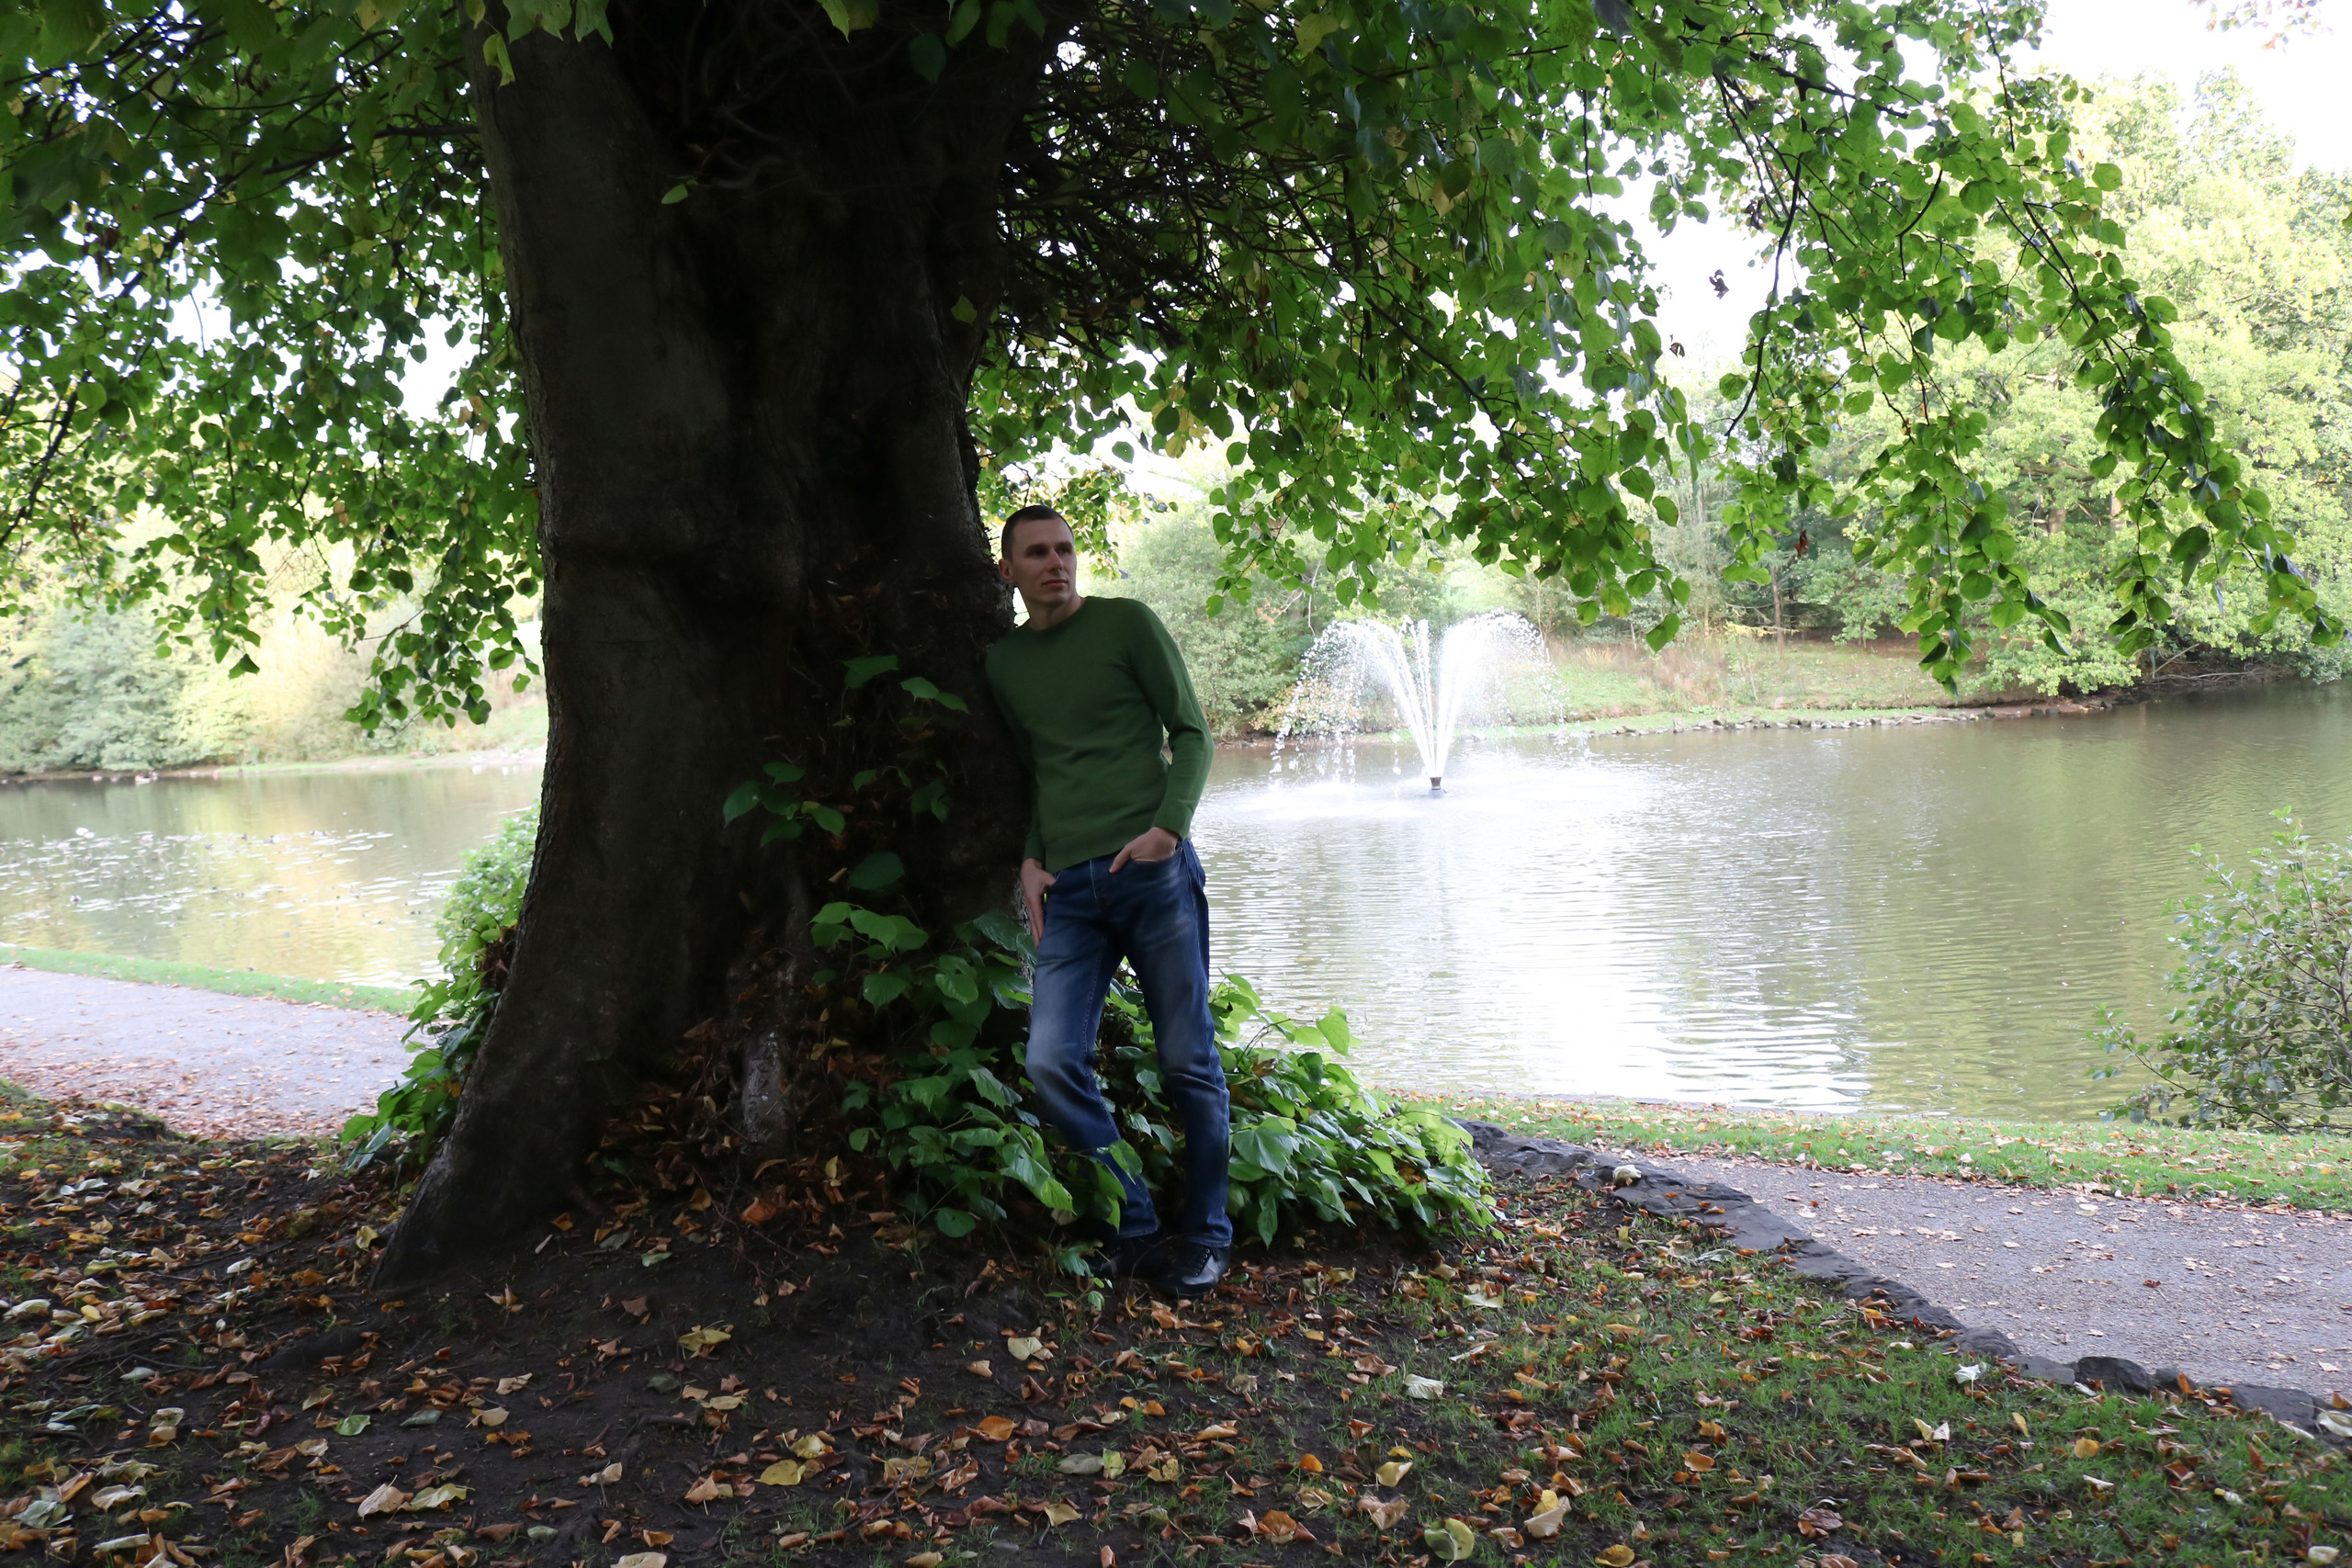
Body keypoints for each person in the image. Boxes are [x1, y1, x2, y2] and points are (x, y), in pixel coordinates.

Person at [985, 503, 1231, 1298]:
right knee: (1050, 1060)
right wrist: (1029, 857)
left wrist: (1168, 829)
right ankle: (1135, 1229)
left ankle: (1207, 1236)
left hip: (1152, 873)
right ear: (1008, 572)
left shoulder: (1128, 624)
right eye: (1036, 552)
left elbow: (1192, 732)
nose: (1055, 562)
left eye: (1064, 549)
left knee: (1188, 1061)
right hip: (1070, 892)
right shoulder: (1005, 664)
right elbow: (1038, 770)